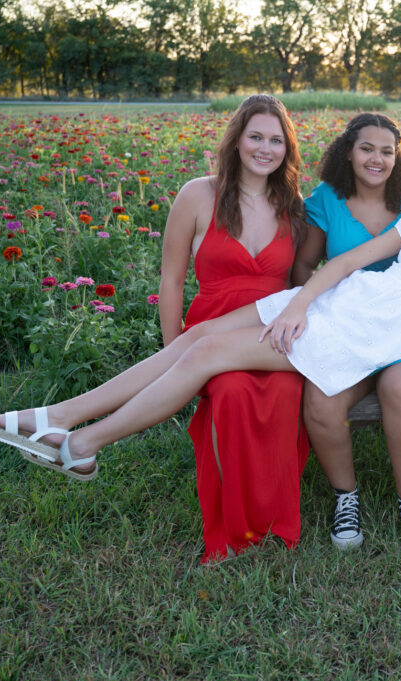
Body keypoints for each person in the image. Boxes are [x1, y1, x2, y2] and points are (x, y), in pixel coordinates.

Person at [0, 146, 401, 521]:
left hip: (367, 333)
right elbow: (348, 264)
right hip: (336, 300)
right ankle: (57, 417)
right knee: (198, 337)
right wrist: (297, 306)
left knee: (212, 352)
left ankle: (84, 445)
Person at [158, 94, 310, 563]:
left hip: (274, 333)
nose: (265, 148)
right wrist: (173, 355)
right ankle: (233, 528)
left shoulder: (294, 205)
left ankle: (271, 521)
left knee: (283, 394)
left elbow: (303, 282)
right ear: (237, 140)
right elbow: (172, 278)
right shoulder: (198, 194)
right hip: (212, 330)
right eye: (256, 137)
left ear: (287, 147)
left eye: (276, 140)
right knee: (232, 390)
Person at [292, 113, 401, 555]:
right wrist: (309, 311)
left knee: (399, 387)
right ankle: (346, 497)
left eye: (387, 151)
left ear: (398, 157)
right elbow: (305, 265)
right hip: (347, 327)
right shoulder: (327, 200)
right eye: (367, 148)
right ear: (348, 151)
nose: (377, 158)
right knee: (320, 399)